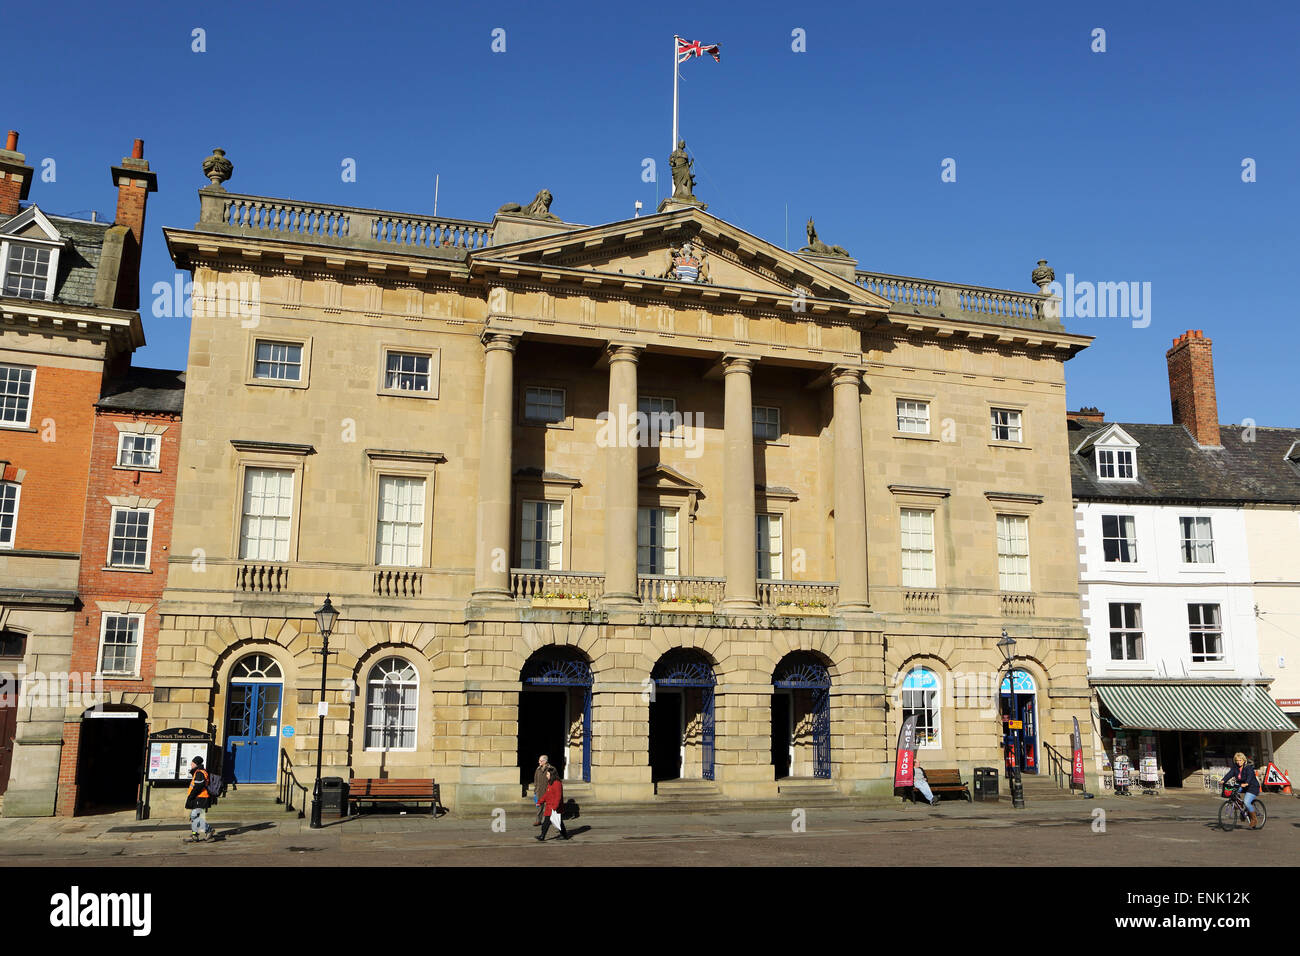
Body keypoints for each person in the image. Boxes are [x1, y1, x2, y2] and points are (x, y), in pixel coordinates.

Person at [1222, 752, 1261, 828]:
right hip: (1242, 786)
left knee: (1246, 802)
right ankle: (1240, 806)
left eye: (1240, 760)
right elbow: (1230, 774)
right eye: (1237, 760)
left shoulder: (1248, 767)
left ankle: (1254, 819)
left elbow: (1250, 776)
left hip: (1252, 787)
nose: (1238, 762)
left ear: (1244, 760)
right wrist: (1223, 780)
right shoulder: (1235, 768)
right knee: (1233, 792)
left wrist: (1246, 783)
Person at [536, 766, 569, 842]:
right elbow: (547, 794)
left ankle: (542, 836)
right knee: (559, 822)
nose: (546, 775)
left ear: (552, 774)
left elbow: (558, 796)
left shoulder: (557, 783)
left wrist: (554, 807)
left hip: (554, 807)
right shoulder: (550, 782)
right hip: (550, 806)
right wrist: (540, 801)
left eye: (547, 774)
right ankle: (565, 835)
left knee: (547, 823)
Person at [185, 755, 213, 843]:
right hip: (199, 797)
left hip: (200, 798)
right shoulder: (199, 771)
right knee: (194, 816)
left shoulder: (199, 772)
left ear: (196, 764)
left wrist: (191, 796)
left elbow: (198, 786)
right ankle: (195, 835)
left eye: (192, 763)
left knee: (194, 816)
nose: (191, 764)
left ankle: (209, 830)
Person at [533, 754, 555, 827]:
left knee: (549, 807)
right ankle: (538, 821)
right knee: (539, 807)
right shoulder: (538, 769)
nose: (539, 762)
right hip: (539, 791)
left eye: (541, 761)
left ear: (545, 761)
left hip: (548, 791)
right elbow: (535, 780)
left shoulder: (551, 769)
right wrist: (535, 790)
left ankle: (549, 820)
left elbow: (554, 780)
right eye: (539, 760)